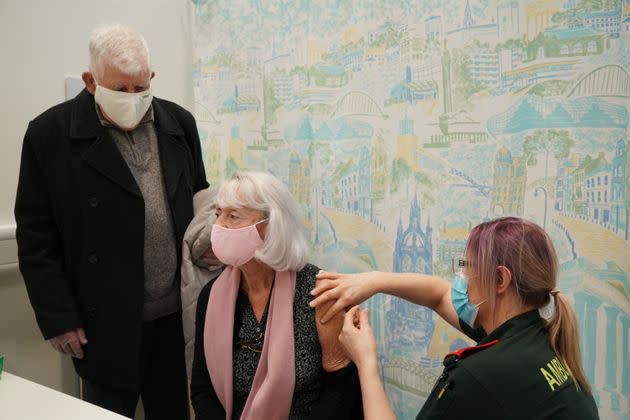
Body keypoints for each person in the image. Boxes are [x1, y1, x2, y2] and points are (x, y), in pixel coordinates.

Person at [14, 24, 207, 419]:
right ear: (91, 81)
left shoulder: (179, 124)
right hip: (103, 322)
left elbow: (198, 197)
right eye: (120, 89)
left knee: (173, 411)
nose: (133, 99)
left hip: (174, 315)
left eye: (141, 88)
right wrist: (58, 318)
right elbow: (36, 235)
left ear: (151, 79)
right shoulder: (49, 135)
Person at [311, 217, 599, 420]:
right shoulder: (537, 335)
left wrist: (366, 361)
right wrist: (375, 280)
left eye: (467, 267)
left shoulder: (480, 374)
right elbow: (438, 295)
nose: (461, 278)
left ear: (500, 279)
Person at [190, 171, 363, 419]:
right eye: (218, 214)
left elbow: (342, 390)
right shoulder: (212, 296)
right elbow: (202, 389)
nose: (218, 227)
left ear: (272, 225)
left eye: (233, 216)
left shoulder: (319, 291)